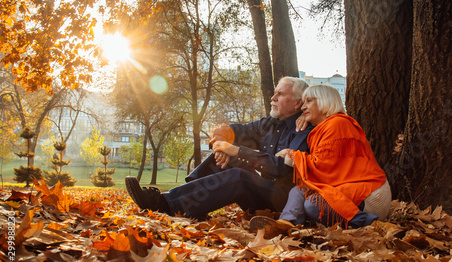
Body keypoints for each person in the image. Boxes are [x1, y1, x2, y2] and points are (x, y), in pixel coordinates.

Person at [125, 77, 314, 220]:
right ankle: (191, 206)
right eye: (275, 92)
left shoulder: (305, 130)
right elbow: (229, 130)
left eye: (280, 94)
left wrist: (237, 150)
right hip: (259, 192)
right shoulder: (267, 124)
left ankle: (164, 204)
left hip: (281, 200)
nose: (272, 98)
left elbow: (283, 168)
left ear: (298, 102)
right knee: (228, 157)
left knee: (239, 175)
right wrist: (220, 146)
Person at [249, 84, 392, 238]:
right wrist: (305, 117)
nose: (303, 107)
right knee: (298, 191)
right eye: (303, 103)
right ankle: (286, 224)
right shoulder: (323, 127)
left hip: (369, 194)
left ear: (325, 101)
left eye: (309, 101)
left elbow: (325, 166)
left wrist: (291, 155)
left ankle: (374, 225)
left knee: (314, 205)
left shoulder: (338, 124)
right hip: (345, 187)